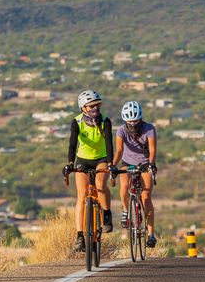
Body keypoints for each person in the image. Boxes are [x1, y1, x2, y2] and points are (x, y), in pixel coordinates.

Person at [64, 90, 115, 251]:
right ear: (83, 108)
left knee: (100, 184)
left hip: (101, 158)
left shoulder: (105, 121)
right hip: (83, 159)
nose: (95, 108)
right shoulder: (77, 122)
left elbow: (109, 144)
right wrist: (70, 163)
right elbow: (72, 144)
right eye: (91, 106)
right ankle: (80, 236)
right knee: (82, 194)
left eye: (97, 105)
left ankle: (106, 214)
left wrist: (111, 163)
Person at [113, 100, 158, 247]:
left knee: (146, 197)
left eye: (135, 121)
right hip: (127, 162)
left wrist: (151, 165)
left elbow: (152, 150)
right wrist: (112, 166)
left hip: (145, 163)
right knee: (124, 186)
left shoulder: (149, 129)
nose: (132, 124)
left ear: (140, 119)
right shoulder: (121, 130)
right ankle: (126, 210)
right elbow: (119, 151)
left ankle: (151, 234)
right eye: (129, 121)